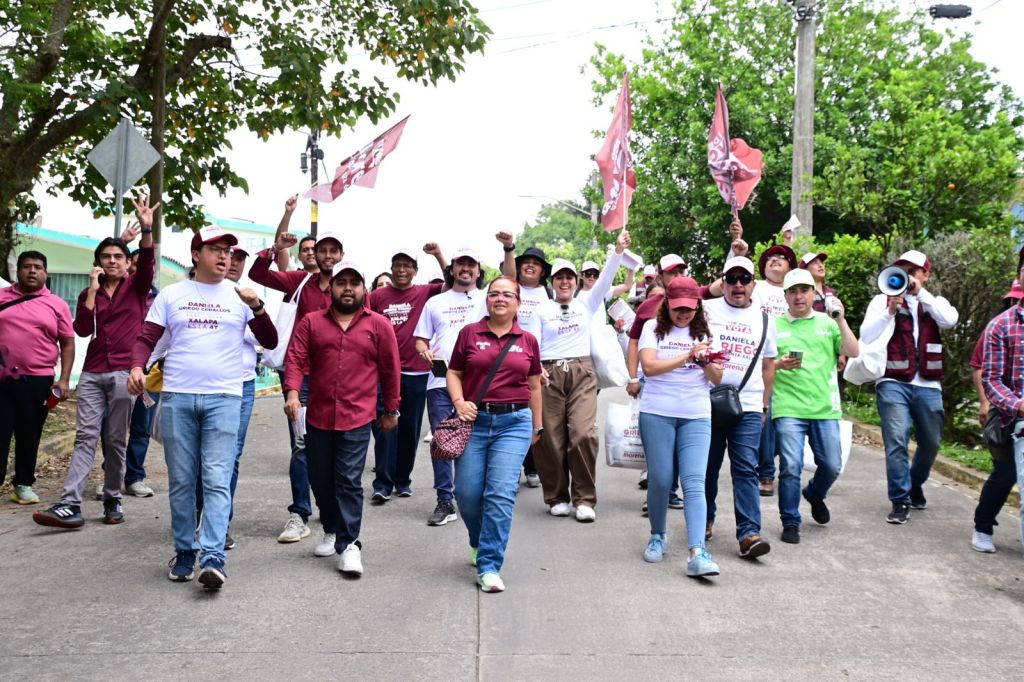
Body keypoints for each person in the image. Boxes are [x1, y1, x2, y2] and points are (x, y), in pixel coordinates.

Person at [128, 225, 278, 588]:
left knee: (216, 478)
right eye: (216, 249)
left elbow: (270, 340)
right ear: (196, 255)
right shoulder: (172, 294)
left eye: (229, 250)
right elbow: (147, 337)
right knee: (181, 481)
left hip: (225, 398)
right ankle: (184, 551)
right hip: (178, 395)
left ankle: (213, 556)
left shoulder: (239, 296)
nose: (225, 255)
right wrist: (136, 366)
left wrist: (257, 307)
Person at [32, 197, 157, 528]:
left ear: (128, 263)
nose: (112, 261)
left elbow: (147, 261)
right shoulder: (94, 292)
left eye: (118, 257)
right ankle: (70, 503)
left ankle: (113, 496)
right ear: (98, 262)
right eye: (106, 257)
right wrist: (90, 291)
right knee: (85, 436)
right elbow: (83, 329)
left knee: (115, 438)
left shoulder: (137, 286)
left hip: (124, 373)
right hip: (93, 373)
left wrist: (146, 228)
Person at [285, 260, 400, 575]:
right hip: (319, 414)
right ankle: (332, 528)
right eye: (341, 283)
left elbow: (391, 370)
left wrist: (391, 409)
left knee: (348, 480)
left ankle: (350, 544)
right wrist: (293, 393)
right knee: (319, 478)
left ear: (364, 289)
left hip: (358, 415)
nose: (347, 289)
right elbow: (295, 358)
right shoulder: (311, 322)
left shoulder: (379, 325)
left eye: (354, 283)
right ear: (331, 288)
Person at [447, 276, 543, 593]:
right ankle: (478, 539)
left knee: (500, 494)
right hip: (474, 422)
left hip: (514, 423)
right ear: (486, 300)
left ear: (518, 302)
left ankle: (489, 565)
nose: (500, 298)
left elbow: (533, 387)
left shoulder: (528, 340)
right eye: (494, 294)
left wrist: (536, 426)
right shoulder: (469, 333)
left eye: (507, 294)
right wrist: (459, 403)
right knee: (467, 493)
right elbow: (454, 372)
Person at [249, 223, 342, 543]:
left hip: (339, 379)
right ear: (313, 256)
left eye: (333, 250)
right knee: (302, 446)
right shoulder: (300, 281)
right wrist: (275, 249)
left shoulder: (350, 285)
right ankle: (299, 513)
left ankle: (333, 510)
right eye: (322, 250)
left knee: (336, 448)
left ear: (341, 255)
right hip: (301, 376)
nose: (327, 256)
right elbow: (258, 275)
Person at [532, 231, 628, 522]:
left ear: (575, 282)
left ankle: (584, 498)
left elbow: (607, 279)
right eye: (559, 278)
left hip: (582, 373)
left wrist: (618, 252)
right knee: (551, 438)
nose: (564, 282)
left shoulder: (586, 303)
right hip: (549, 374)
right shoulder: (541, 310)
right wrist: (536, 371)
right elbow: (533, 343)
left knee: (583, 434)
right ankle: (557, 496)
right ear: (552, 283)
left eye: (569, 278)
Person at [859, 249, 959, 524]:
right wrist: (890, 311)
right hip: (893, 381)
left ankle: (914, 483)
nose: (908, 276)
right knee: (897, 440)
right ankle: (900, 500)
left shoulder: (934, 302)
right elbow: (865, 336)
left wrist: (921, 296)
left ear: (926, 275)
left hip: (928, 384)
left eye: (913, 271)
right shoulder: (882, 300)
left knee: (931, 442)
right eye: (903, 270)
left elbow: (950, 321)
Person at [638, 276, 723, 577]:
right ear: (667, 305)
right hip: (657, 412)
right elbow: (649, 367)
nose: (683, 314)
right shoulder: (652, 328)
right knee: (660, 479)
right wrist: (687, 355)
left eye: (689, 308)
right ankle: (658, 534)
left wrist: (704, 361)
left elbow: (717, 378)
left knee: (693, 481)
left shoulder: (709, 332)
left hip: (696, 414)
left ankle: (697, 552)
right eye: (678, 309)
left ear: (697, 306)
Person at [772, 268, 859, 544]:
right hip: (787, 407)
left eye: (804, 290)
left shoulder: (828, 322)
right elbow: (763, 365)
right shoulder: (774, 325)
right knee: (790, 466)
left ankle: (815, 494)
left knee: (832, 465)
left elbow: (853, 351)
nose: (799, 297)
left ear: (813, 293)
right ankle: (790, 521)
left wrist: (841, 319)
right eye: (793, 292)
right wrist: (777, 364)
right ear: (785, 296)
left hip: (824, 408)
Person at [703, 256, 777, 558]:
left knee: (746, 467)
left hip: (747, 404)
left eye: (744, 279)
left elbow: (769, 364)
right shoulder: (706, 311)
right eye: (731, 279)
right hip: (708, 401)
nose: (737, 285)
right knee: (707, 468)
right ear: (722, 282)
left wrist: (763, 406)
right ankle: (705, 517)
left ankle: (749, 533)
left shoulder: (765, 319)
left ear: (753, 285)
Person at [367, 244, 448, 504]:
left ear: (415, 270)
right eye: (397, 265)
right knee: (384, 428)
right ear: (391, 269)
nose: (401, 270)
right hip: (385, 373)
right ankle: (382, 483)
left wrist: (438, 255)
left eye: (407, 265)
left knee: (410, 430)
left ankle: (403, 480)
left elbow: (452, 280)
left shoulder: (425, 292)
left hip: (416, 372)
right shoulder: (379, 296)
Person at [414, 248, 486, 526]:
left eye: (471, 265)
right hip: (440, 381)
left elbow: (511, 279)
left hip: (478, 382)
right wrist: (424, 351)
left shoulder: (486, 298)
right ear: (453, 270)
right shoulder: (435, 303)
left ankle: (473, 493)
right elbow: (421, 338)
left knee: (475, 440)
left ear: (478, 271)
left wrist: (508, 247)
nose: (465, 269)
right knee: (444, 441)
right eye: (460, 265)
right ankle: (445, 500)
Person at [193, 245, 259, 550]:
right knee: (196, 457)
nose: (229, 260)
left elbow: (266, 340)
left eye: (237, 257)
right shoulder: (194, 292)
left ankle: (220, 521)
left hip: (240, 386)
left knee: (229, 456)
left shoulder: (249, 296)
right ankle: (195, 513)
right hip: (197, 385)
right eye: (221, 253)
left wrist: (249, 316)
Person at [0, 251, 74, 504]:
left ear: (46, 273)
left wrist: (64, 379)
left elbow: (67, 343)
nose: (32, 271)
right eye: (27, 266)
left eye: (38, 267)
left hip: (38, 380)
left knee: (29, 433)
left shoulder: (57, 304)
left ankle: (23, 484)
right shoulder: (1, 297)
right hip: (3, 379)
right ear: (17, 271)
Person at [970, 279, 1022, 553]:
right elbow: (984, 372)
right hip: (1007, 418)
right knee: (1005, 475)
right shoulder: (1000, 326)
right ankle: (983, 525)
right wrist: (985, 403)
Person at [496, 233, 549, 487]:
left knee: (534, 415)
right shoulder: (511, 289)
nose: (530, 265)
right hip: (509, 357)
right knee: (514, 411)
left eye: (536, 263)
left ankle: (533, 466)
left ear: (542, 271)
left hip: (540, 360)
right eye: (525, 261)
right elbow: (506, 275)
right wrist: (509, 247)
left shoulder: (547, 294)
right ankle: (511, 468)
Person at [122, 247, 163, 498]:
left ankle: (134, 477)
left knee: (141, 427)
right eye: (134, 264)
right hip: (116, 369)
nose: (139, 269)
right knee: (112, 429)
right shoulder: (120, 295)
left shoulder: (162, 300)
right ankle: (112, 475)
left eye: (144, 265)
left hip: (148, 374)